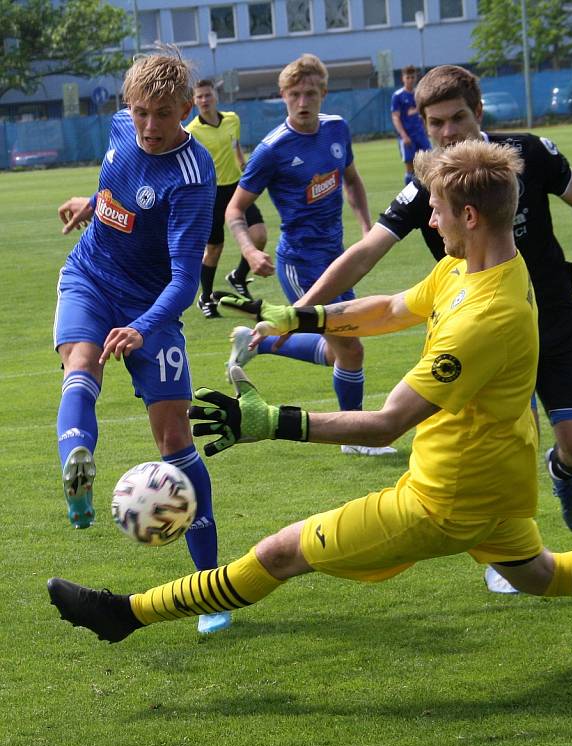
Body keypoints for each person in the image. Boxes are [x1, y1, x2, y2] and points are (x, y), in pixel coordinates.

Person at [47, 141, 572, 667]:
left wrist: (265, 422)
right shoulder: (474, 270)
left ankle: (127, 615)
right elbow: (388, 305)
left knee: (279, 552)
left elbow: (387, 422)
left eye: (437, 210)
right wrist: (298, 317)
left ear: (470, 216)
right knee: (544, 572)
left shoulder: (488, 314)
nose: (429, 221)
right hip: (502, 482)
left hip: (443, 498)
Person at [273, 64, 572, 591]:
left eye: (458, 118)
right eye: (435, 124)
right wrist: (300, 313)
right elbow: (364, 255)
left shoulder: (530, 154)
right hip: (483, 336)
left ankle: (560, 472)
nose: (448, 133)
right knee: (501, 433)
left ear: (479, 112)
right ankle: (509, 555)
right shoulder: (425, 186)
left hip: (553, 321)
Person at [54, 50, 231, 634]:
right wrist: (92, 204)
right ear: (126, 108)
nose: (149, 127)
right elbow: (116, 182)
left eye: (162, 114)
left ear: (187, 108)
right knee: (80, 362)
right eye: (139, 112)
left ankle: (211, 593)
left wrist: (143, 327)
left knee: (174, 437)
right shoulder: (120, 128)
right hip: (90, 273)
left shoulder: (192, 174)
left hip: (149, 306)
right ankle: (76, 471)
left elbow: (184, 281)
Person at [222, 53, 395, 457]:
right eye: (295, 94)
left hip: (337, 260)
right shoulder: (272, 150)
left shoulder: (337, 130)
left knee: (338, 350)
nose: (304, 101)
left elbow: (351, 180)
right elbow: (234, 208)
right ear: (283, 96)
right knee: (352, 347)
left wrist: (367, 229)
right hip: (300, 264)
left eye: (311, 93)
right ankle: (355, 439)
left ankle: (260, 342)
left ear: (324, 94)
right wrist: (249, 250)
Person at [185, 79, 267, 318]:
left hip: (237, 188)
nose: (204, 100)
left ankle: (239, 276)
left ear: (215, 97)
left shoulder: (232, 119)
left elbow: (235, 145)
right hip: (210, 194)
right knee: (214, 249)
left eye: (207, 95)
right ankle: (206, 298)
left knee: (259, 235)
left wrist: (243, 164)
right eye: (199, 97)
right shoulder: (191, 132)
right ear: (194, 101)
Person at [391, 65, 431, 184]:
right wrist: (404, 136)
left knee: (428, 163)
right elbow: (395, 117)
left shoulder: (420, 94)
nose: (410, 80)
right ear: (403, 78)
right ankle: (410, 195)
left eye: (412, 77)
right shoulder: (398, 96)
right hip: (407, 136)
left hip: (421, 135)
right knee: (410, 167)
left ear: (416, 78)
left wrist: (427, 130)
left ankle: (427, 191)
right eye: (407, 77)